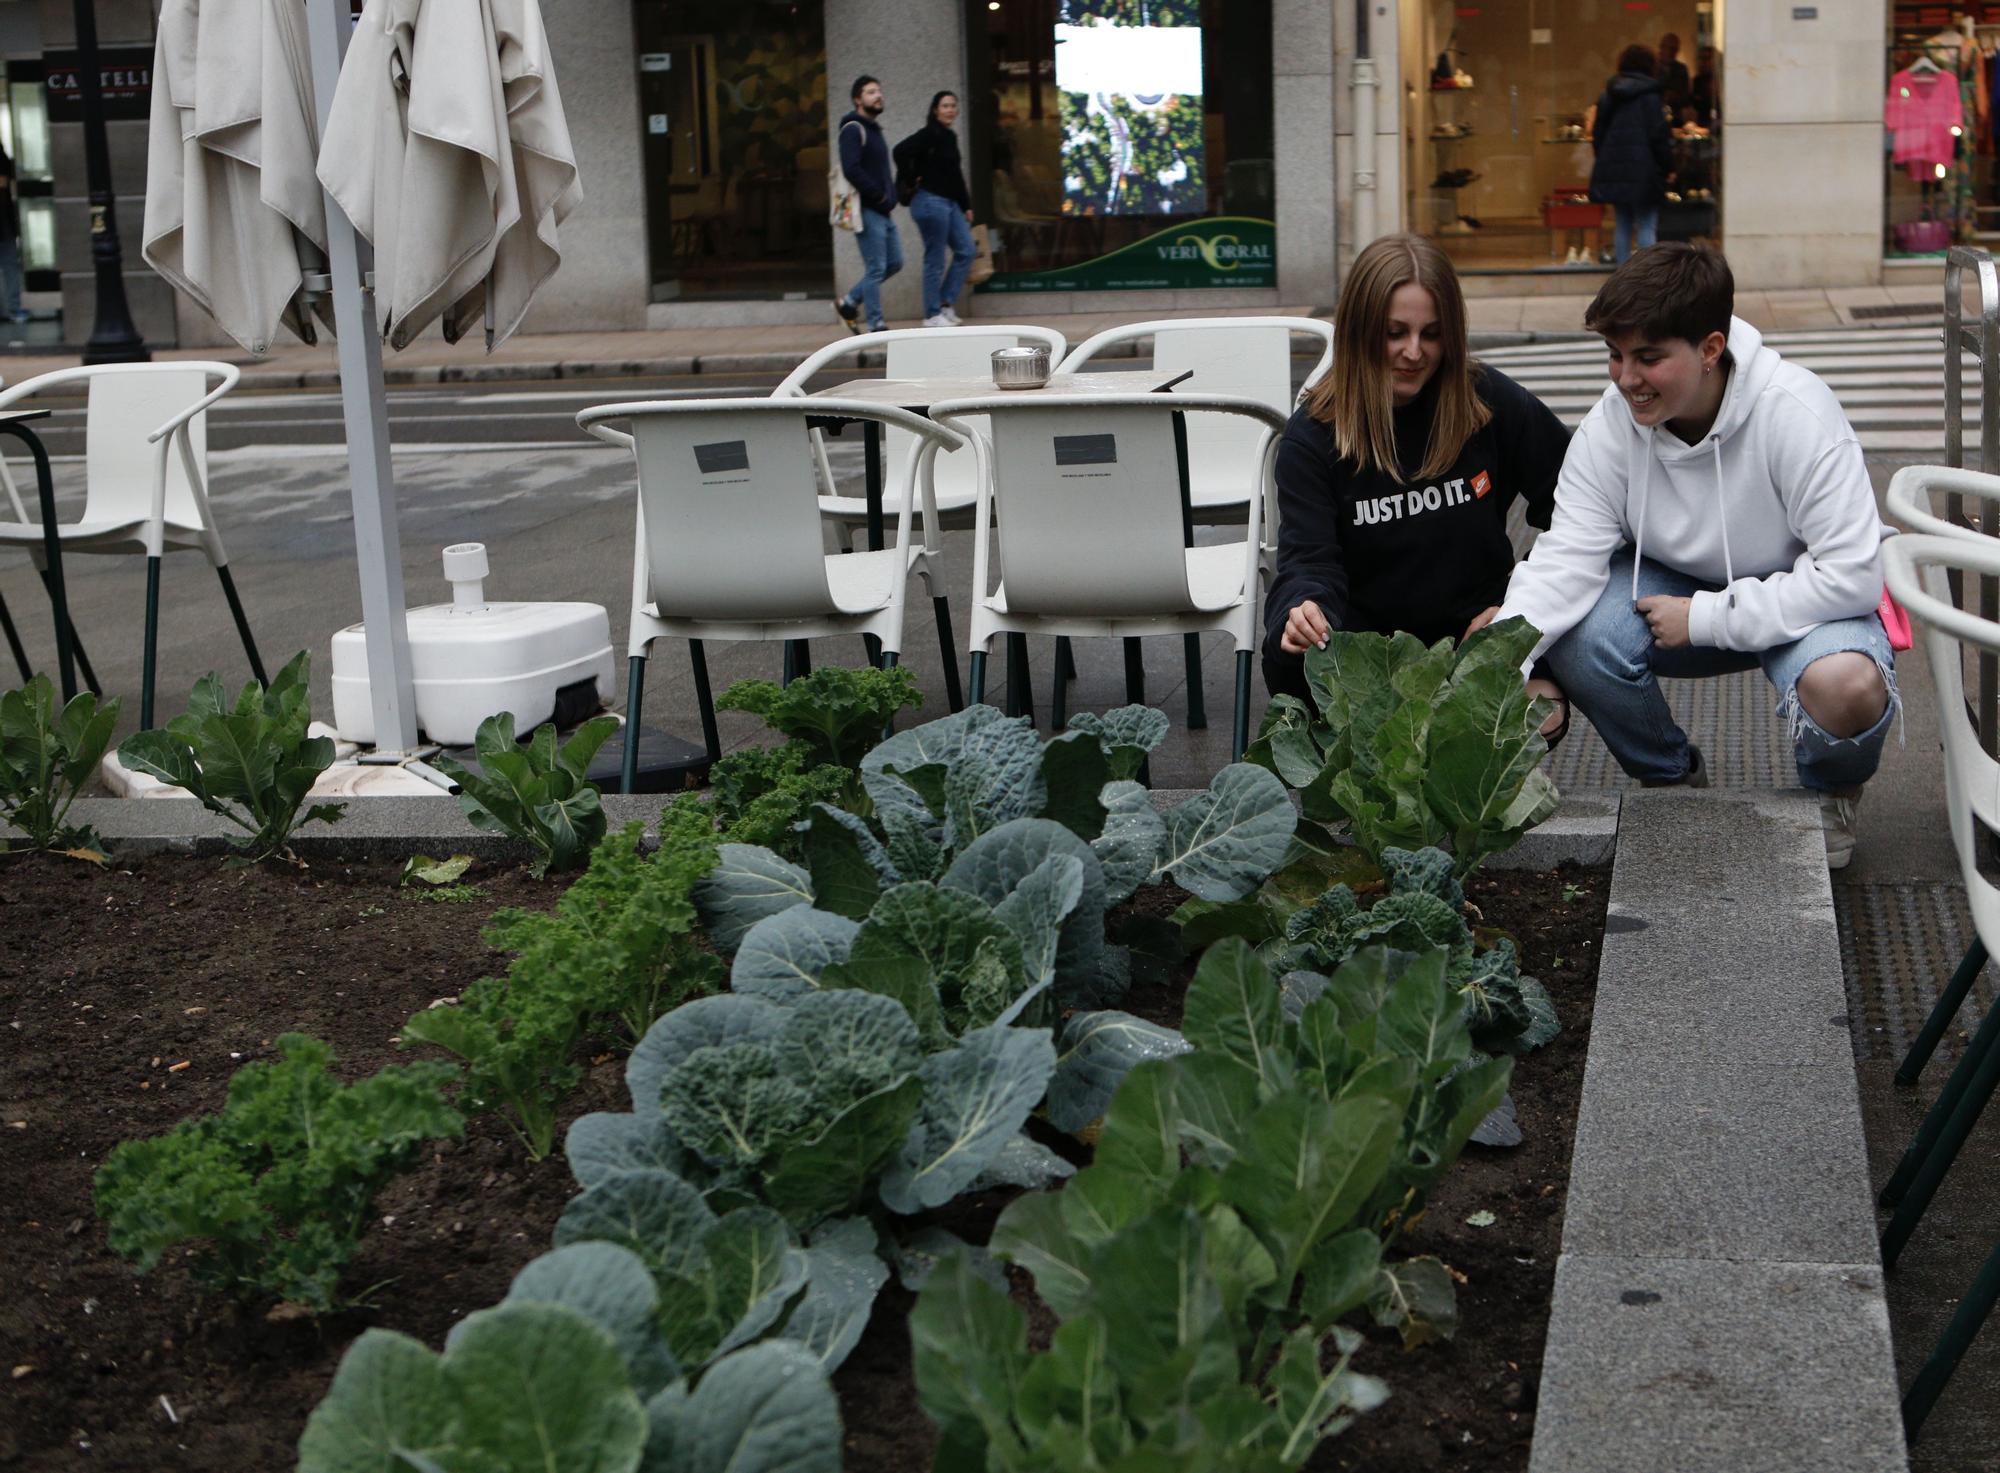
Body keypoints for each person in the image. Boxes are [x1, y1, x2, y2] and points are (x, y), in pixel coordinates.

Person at [1468, 244, 1893, 869]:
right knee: (1580, 636)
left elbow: (1852, 577)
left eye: (1648, 357)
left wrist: (1706, 617)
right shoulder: (1612, 426)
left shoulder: (1796, 412)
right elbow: (1565, 559)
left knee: (1847, 685)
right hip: (1671, 591)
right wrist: (1497, 663)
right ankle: (1669, 779)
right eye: (1615, 355)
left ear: (1711, 349)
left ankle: (1832, 791)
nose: (1625, 378)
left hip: (1795, 595)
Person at [1261, 232, 1571, 732]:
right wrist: (1303, 609)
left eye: (1431, 334)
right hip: (1372, 650)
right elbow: (1308, 560)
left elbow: (1579, 507)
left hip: (1476, 633)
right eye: (1394, 332)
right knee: (1290, 657)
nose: (1413, 352)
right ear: (1360, 332)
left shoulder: (1488, 401)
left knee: (1541, 712)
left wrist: (1519, 604)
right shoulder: (1314, 435)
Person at [895, 91, 976, 328]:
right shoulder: (928, 134)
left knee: (967, 250)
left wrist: (966, 205)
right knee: (935, 259)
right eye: (945, 106)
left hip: (949, 204)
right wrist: (912, 178)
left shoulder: (949, 136)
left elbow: (955, 175)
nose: (950, 110)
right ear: (935, 110)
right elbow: (899, 151)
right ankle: (932, 315)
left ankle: (944, 303)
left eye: (953, 106)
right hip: (930, 202)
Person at [1590, 44, 1673, 264]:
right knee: (1646, 224)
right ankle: (1647, 277)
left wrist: (1606, 159)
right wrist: (1667, 167)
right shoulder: (1651, 97)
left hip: (1615, 167)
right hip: (1645, 169)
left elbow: (1598, 133)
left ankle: (1621, 277)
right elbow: (1659, 137)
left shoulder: (1609, 94)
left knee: (1622, 223)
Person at [834, 76, 901, 334]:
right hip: (867, 208)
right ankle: (876, 324)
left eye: (879, 91)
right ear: (857, 99)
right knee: (875, 268)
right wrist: (879, 196)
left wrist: (890, 196)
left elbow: (882, 171)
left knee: (895, 262)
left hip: (883, 209)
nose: (878, 95)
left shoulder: (874, 129)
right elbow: (851, 168)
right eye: (871, 92)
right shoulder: (853, 128)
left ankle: (850, 302)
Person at [0, 139, 24, 325]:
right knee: (9, 266)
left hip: (4, 222)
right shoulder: (2, 159)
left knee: (9, 266)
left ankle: (12, 308)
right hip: (4, 221)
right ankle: (13, 308)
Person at [1658, 32, 1692, 114]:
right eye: (1669, 48)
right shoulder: (1651, 67)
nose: (1670, 52)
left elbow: (1686, 97)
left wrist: (1675, 97)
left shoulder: (1681, 69)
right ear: (1661, 47)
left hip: (1676, 115)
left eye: (1674, 49)